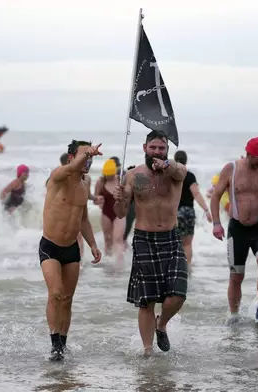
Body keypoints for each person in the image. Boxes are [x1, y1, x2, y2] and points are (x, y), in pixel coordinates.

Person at [113, 130, 188, 356]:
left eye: (162, 148)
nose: (157, 151)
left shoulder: (176, 172)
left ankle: (161, 323)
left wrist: (166, 165)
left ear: (167, 151)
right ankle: (148, 350)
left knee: (177, 294)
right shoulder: (133, 176)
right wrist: (119, 199)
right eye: (153, 147)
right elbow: (120, 213)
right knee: (146, 301)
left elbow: (180, 170)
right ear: (145, 148)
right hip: (144, 239)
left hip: (171, 237)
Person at [210, 137, 258, 326]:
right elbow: (216, 195)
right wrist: (216, 223)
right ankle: (234, 314)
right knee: (236, 275)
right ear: (248, 153)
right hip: (237, 228)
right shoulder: (232, 169)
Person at [41, 140, 102, 361]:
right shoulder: (58, 176)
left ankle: (62, 345)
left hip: (71, 249)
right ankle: (54, 342)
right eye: (85, 155)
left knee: (67, 298)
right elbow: (69, 169)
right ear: (71, 158)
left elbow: (83, 219)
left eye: (91, 156)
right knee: (55, 293)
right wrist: (84, 155)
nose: (89, 159)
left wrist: (93, 245)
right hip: (49, 246)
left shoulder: (85, 183)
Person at [173, 150, 211, 266]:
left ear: (175, 160)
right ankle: (187, 268)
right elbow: (196, 194)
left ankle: (175, 268)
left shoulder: (171, 176)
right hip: (188, 212)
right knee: (187, 244)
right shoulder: (189, 176)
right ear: (186, 161)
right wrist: (206, 210)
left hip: (174, 213)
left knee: (174, 243)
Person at [95, 159, 126, 263]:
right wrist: (98, 200)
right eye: (107, 175)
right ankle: (108, 263)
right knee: (108, 240)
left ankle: (119, 263)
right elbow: (95, 198)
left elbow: (129, 196)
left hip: (119, 214)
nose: (109, 177)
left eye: (111, 175)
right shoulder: (100, 181)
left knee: (118, 239)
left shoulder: (121, 180)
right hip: (106, 213)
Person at [122, 165, 137, 248]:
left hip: (133, 207)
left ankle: (124, 240)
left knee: (128, 224)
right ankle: (124, 240)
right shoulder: (125, 180)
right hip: (130, 207)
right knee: (128, 224)